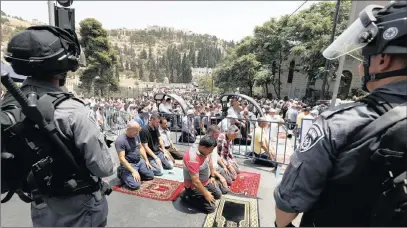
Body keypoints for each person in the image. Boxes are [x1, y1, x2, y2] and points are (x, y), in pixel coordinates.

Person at [274, 2, 407, 227]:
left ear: (383, 60)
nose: (360, 67)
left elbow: (288, 206)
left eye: (365, 57)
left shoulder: (338, 123)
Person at [1, 26, 114, 227]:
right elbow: (103, 168)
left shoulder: (9, 103)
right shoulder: (72, 110)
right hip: (80, 209)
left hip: (41, 206)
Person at [181, 136, 222, 214]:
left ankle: (199, 195)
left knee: (218, 195)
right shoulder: (192, 159)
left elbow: (210, 161)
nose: (212, 151)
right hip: (194, 186)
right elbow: (196, 181)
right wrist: (206, 193)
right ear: (204, 147)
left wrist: (212, 176)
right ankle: (186, 197)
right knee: (211, 208)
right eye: (211, 150)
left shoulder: (205, 150)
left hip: (205, 182)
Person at [115, 121, 154, 190]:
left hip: (139, 161)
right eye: (136, 131)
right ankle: (121, 173)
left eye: (138, 131)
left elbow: (141, 147)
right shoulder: (120, 140)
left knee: (150, 175)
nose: (137, 133)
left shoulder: (136, 135)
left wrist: (146, 160)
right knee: (135, 185)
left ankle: (136, 172)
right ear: (128, 129)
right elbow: (122, 158)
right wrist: (133, 171)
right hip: (129, 164)